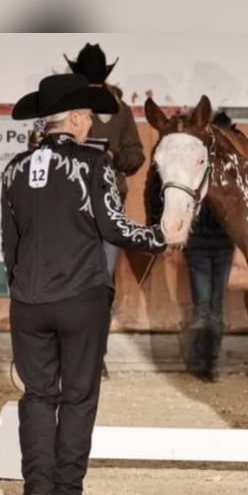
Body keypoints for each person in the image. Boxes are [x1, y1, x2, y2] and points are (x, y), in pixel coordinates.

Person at [2, 73, 166, 495]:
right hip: (80, 296)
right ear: (73, 118)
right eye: (89, 116)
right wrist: (158, 236)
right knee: (78, 397)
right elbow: (113, 227)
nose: (93, 124)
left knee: (37, 396)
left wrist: (20, 291)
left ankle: (35, 492)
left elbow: (10, 246)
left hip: (28, 300)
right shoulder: (95, 166)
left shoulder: (14, 168)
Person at [65, 43, 146, 378]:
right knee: (81, 282)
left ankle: (94, 355)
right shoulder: (68, 107)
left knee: (99, 284)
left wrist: (113, 158)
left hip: (103, 204)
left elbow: (136, 154)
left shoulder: (120, 110)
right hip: (74, 205)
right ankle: (78, 354)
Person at [146, 114, 234, 382]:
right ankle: (202, 363)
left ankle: (207, 362)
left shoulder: (213, 167)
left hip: (215, 243)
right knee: (207, 306)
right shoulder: (197, 167)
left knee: (210, 306)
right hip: (206, 243)